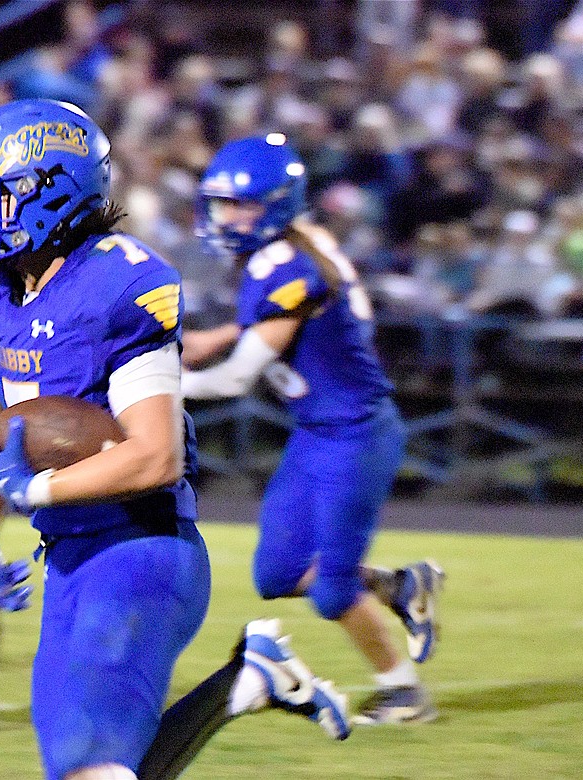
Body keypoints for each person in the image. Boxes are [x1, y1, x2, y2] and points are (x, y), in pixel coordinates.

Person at [0, 98, 349, 780]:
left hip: (141, 551)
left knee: (92, 769)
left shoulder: (119, 283)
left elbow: (154, 454)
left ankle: (247, 680)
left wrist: (39, 486)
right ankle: (245, 682)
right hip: (66, 555)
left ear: (50, 192)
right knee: (86, 766)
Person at [181, 134, 445, 726]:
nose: (225, 217)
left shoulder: (288, 262)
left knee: (330, 589)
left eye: (239, 206)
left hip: (356, 433)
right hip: (317, 431)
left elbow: (235, 381)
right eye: (220, 204)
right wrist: (219, 336)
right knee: (276, 573)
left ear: (275, 205)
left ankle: (404, 693)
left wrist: (157, 389)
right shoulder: (295, 247)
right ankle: (400, 586)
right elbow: (293, 317)